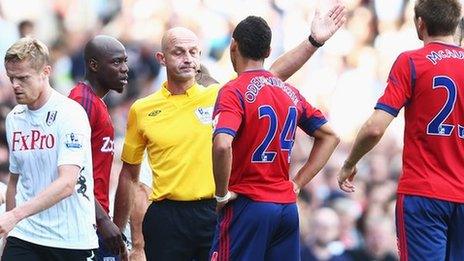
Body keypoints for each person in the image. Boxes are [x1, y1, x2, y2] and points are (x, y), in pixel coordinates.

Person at [113, 3, 345, 260]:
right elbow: (130, 177)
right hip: (168, 214)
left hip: (214, 208)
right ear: (162, 58)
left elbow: (269, 75)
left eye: (193, 51)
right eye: (178, 52)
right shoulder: (142, 109)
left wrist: (313, 42)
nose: (187, 58)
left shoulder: (220, 94)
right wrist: (130, 240)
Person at [337, 0, 464, 260]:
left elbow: (375, 127)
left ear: (420, 24)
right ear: (455, 23)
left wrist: (350, 163)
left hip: (423, 194)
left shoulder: (411, 62)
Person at [210, 16, 340, 260]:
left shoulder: (232, 91)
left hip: (247, 205)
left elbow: (222, 144)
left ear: (233, 46)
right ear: (268, 51)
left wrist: (221, 195)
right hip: (286, 209)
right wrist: (298, 182)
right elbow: (330, 137)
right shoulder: (288, 91)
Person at [1, 37, 98, 260]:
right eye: (11, 78)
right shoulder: (14, 118)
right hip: (26, 235)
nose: (15, 85)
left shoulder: (70, 114)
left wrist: (14, 215)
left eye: (23, 78)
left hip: (70, 238)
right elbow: (14, 182)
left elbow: (66, 184)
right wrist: (10, 229)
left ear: (45, 72)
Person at [68, 35, 128, 260]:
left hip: (94, 217)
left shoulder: (95, 101)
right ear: (93, 65)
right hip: (84, 222)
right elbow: (71, 169)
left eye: (125, 61)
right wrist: (102, 221)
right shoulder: (81, 102)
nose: (124, 69)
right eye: (116, 62)